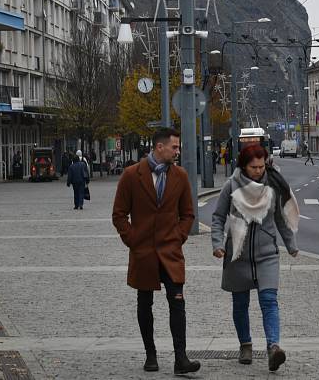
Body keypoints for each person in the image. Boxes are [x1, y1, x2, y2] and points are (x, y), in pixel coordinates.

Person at [111, 127, 200, 375]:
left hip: (170, 251)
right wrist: (133, 240)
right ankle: (150, 355)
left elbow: (188, 214)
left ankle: (181, 359)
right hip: (144, 252)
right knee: (144, 302)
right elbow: (119, 214)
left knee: (178, 302)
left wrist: (178, 237)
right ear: (159, 147)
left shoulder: (180, 176)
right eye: (174, 147)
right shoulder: (131, 175)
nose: (178, 150)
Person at [211, 144, 300, 372]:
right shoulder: (231, 186)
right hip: (237, 254)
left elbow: (280, 218)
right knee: (240, 304)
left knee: (269, 301)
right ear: (243, 165)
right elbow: (219, 217)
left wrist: (290, 244)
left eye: (261, 166)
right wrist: (218, 244)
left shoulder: (273, 186)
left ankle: (273, 348)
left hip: (266, 253)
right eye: (253, 167)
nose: (258, 171)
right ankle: (245, 345)